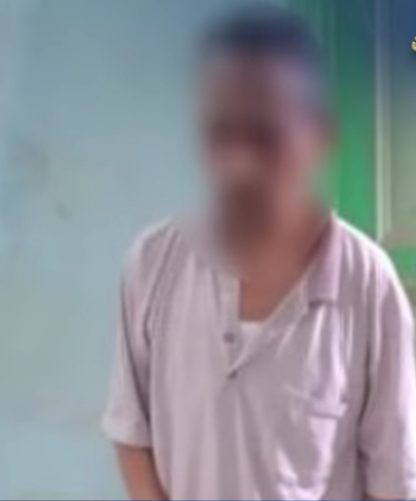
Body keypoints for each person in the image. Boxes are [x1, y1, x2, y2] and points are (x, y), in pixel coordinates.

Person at [102, 5, 416, 500]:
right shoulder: (152, 264)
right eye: (223, 132)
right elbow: (130, 430)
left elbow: (394, 479)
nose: (242, 162)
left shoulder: (367, 286)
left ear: (318, 135)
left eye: (266, 134)